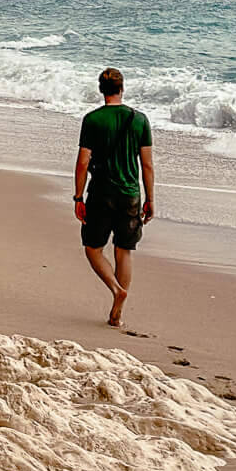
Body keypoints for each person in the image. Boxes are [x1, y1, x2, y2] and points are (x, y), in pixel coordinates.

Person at [74, 67, 155, 328]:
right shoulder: (140, 120)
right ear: (122, 88)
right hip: (130, 194)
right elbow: (147, 165)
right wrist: (150, 198)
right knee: (124, 251)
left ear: (101, 90)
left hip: (101, 193)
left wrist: (78, 197)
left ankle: (115, 289)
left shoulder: (92, 120)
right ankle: (117, 310)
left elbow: (83, 163)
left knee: (93, 248)